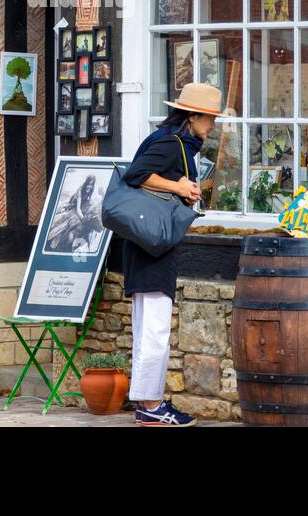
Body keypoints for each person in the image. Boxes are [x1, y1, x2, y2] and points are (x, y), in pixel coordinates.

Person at [122, 81, 221, 427]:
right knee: (155, 329)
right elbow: (134, 175)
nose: (212, 126)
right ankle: (151, 406)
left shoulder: (170, 140)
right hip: (153, 246)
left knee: (149, 327)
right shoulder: (169, 142)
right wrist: (178, 186)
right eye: (209, 119)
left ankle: (148, 402)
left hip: (150, 243)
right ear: (192, 115)